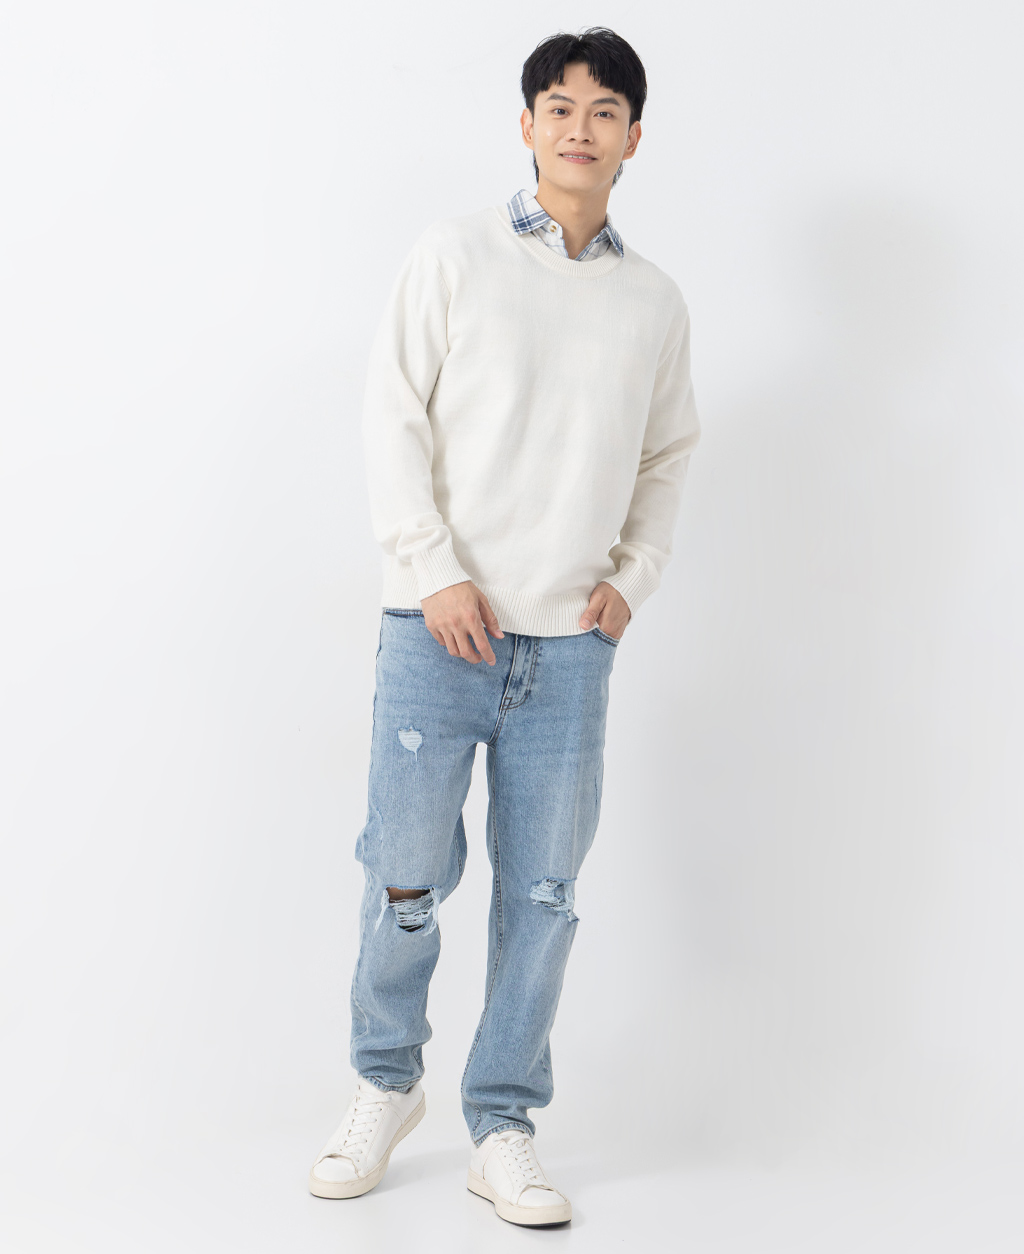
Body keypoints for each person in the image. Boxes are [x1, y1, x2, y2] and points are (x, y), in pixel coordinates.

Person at [308, 26, 700, 1227]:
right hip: (438, 630)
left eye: (604, 110)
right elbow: (392, 415)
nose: (580, 127)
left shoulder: (651, 301)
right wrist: (431, 571)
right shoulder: (455, 255)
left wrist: (631, 580)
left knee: (543, 895)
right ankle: (385, 1083)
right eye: (558, 106)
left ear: (635, 138)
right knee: (404, 875)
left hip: (570, 646)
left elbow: (667, 453)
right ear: (526, 126)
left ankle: (502, 1121)